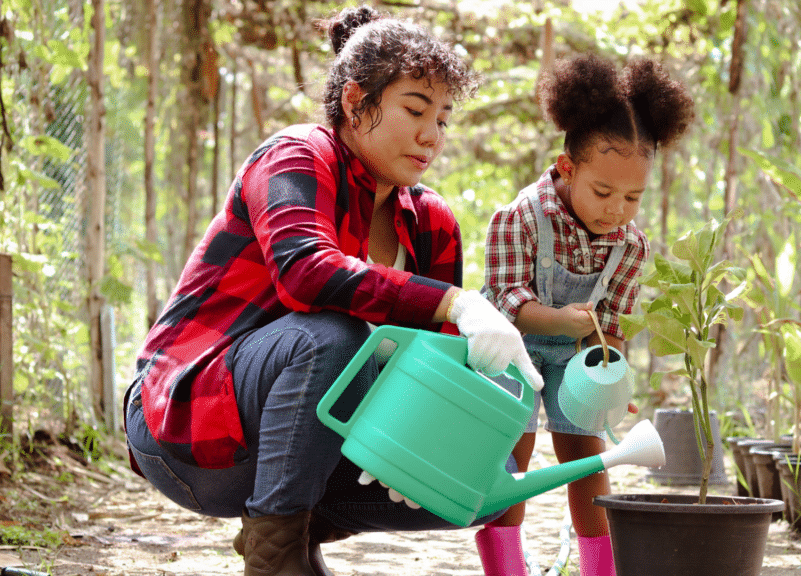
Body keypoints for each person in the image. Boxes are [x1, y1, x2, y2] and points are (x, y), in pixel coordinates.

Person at [123, 6, 544, 576]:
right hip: (188, 428)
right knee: (329, 335)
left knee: (461, 484)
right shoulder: (297, 157)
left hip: (313, 447)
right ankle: (276, 559)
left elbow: (432, 364)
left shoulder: (432, 222)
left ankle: (287, 534)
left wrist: (443, 439)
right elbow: (308, 272)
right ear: (354, 102)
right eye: (415, 110)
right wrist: (457, 302)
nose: (431, 136)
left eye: (443, 119)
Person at [477, 54, 694, 576]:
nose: (616, 209)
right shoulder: (518, 219)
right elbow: (506, 302)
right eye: (602, 192)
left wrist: (611, 371)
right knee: (513, 463)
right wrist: (558, 321)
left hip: (576, 361)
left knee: (589, 460)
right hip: (511, 351)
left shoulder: (630, 246)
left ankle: (600, 567)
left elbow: (613, 324)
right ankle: (506, 566)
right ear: (567, 166)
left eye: (632, 197)